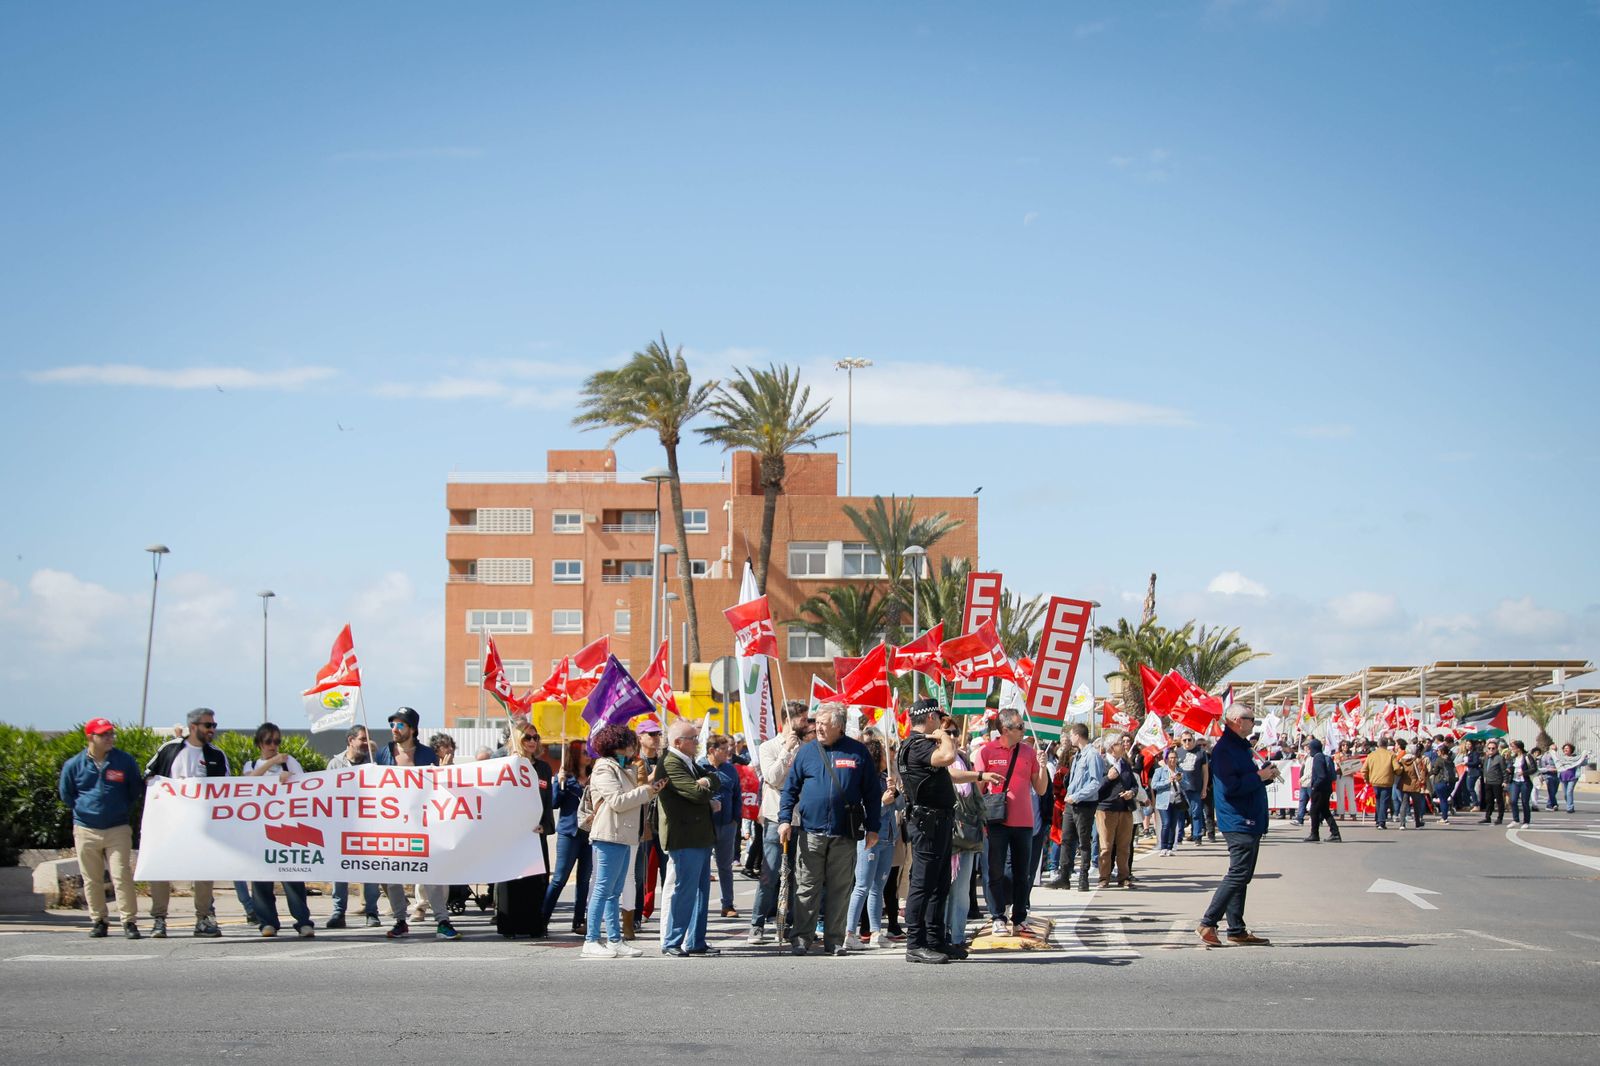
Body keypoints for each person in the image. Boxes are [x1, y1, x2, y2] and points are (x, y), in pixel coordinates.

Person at [778, 703, 881, 957]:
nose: (819, 727)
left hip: (844, 834)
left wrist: (873, 828)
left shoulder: (857, 752)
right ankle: (802, 937)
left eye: (825, 723)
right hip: (810, 831)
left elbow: (871, 793)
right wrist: (784, 820)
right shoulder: (807, 752)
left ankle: (834, 940)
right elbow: (790, 789)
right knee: (807, 887)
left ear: (840, 726)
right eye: (817, 722)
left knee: (840, 888)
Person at [582, 724, 667, 959]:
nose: (633, 748)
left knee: (614, 890)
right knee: (603, 888)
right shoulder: (603, 769)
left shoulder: (622, 768)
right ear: (616, 745)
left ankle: (614, 939)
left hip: (624, 834)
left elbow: (631, 798)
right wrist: (647, 791)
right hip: (608, 834)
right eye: (630, 744)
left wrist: (651, 790)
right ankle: (591, 939)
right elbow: (618, 801)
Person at [374, 708, 459, 940]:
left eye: (400, 725)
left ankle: (442, 921)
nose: (395, 729)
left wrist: (445, 772)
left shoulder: (426, 755)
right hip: (391, 825)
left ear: (412, 729)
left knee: (430, 874)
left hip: (422, 825)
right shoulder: (383, 754)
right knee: (392, 877)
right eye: (393, 724)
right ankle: (400, 921)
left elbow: (437, 785)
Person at [144, 707, 229, 938]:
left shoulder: (217, 756)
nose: (212, 730)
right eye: (208, 725)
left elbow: (229, 789)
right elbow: (149, 776)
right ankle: (159, 919)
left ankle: (203, 918)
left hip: (203, 827)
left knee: (203, 872)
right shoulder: (170, 750)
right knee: (161, 870)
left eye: (214, 725)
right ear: (193, 727)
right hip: (169, 825)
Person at [1197, 705, 1277, 947]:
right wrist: (1259, 777)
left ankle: (1236, 928)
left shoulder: (1241, 747)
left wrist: (1263, 776)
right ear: (1235, 720)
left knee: (1242, 875)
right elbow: (1231, 787)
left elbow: (1245, 781)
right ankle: (1208, 922)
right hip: (1238, 818)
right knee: (1238, 873)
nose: (1253, 723)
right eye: (1249, 719)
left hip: (1248, 817)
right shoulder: (1225, 750)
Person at [58, 717, 143, 939]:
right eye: (103, 734)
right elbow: (67, 794)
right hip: (86, 828)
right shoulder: (74, 764)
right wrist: (83, 810)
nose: (109, 738)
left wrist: (120, 807)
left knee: (121, 874)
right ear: (90, 737)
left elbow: (134, 789)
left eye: (111, 734)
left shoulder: (124, 761)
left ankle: (129, 921)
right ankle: (98, 920)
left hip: (117, 827)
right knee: (91, 877)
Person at [977, 709, 1049, 934]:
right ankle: (998, 915)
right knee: (995, 870)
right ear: (1005, 729)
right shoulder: (986, 751)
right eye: (1020, 727)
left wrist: (1043, 766)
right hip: (996, 820)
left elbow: (1041, 788)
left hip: (1024, 821)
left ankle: (1019, 916)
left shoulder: (1028, 752)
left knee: (1022, 872)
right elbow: (978, 790)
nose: (1024, 730)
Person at [241, 723, 314, 938]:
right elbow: (248, 783)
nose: (273, 746)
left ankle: (303, 921)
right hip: (260, 828)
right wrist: (273, 767)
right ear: (259, 744)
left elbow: (304, 783)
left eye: (277, 741)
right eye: (268, 741)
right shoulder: (252, 764)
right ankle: (267, 922)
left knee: (292, 877)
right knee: (261, 878)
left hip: (287, 827)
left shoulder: (290, 762)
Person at [748, 701, 810, 945]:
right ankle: (757, 923)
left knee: (797, 874)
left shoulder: (807, 747)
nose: (807, 724)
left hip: (801, 817)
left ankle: (790, 923)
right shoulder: (769, 747)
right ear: (790, 720)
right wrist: (786, 752)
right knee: (770, 872)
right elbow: (772, 777)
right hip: (776, 817)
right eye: (803, 719)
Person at [657, 720, 720, 957]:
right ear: (678, 742)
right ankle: (672, 941)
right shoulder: (671, 763)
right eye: (693, 739)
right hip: (685, 837)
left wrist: (705, 782)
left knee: (701, 891)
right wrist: (704, 786)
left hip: (700, 835)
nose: (697, 742)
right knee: (684, 890)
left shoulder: (688, 761)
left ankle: (695, 940)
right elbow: (695, 792)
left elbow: (714, 778)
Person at [494, 716, 551, 939]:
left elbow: (547, 802)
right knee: (511, 881)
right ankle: (509, 925)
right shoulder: (505, 765)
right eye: (527, 737)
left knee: (536, 879)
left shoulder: (544, 768)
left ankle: (534, 925)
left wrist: (545, 826)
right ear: (517, 738)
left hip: (535, 834)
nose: (532, 741)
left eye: (536, 737)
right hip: (511, 834)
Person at [844, 736, 903, 951]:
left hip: (888, 838)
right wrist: (882, 802)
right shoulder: (863, 780)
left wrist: (894, 791)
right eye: (887, 753)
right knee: (862, 886)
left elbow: (901, 805)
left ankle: (877, 931)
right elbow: (865, 811)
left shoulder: (886, 778)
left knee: (879, 886)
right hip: (870, 838)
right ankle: (850, 932)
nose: (892, 756)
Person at [324, 724, 381, 928]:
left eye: (368, 739)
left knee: (370, 870)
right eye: (362, 739)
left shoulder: (373, 764)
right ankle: (339, 912)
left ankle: (372, 912)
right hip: (342, 826)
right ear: (350, 741)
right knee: (339, 871)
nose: (366, 743)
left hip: (368, 826)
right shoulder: (334, 764)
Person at [543, 745, 593, 935]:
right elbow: (554, 803)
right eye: (584, 753)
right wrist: (558, 783)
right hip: (569, 832)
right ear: (574, 755)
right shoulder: (566, 777)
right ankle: (543, 919)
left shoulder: (593, 776)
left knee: (584, 880)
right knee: (559, 879)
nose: (588, 756)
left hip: (588, 832)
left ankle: (579, 921)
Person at [1056, 723, 1105, 891]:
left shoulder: (1092, 755)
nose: (1070, 738)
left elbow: (1096, 782)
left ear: (1077, 735)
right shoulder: (1078, 755)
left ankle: (1083, 877)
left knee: (1083, 841)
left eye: (1071, 735)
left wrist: (1077, 796)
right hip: (1071, 803)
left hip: (1084, 804)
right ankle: (1064, 876)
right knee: (1066, 839)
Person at [701, 733, 743, 919]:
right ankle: (700, 905)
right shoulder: (699, 767)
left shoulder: (730, 770)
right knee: (702, 867)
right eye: (724, 749)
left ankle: (728, 904)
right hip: (704, 825)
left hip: (727, 825)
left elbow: (737, 795)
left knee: (725, 867)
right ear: (712, 750)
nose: (729, 752)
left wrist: (736, 819)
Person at [1094, 733, 1138, 889]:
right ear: (1112, 748)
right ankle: (1103, 877)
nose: (1124, 745)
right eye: (1120, 743)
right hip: (1106, 810)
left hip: (1125, 809)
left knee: (1124, 846)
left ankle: (1124, 877)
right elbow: (1095, 789)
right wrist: (1108, 779)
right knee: (1105, 846)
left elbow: (1134, 784)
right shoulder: (1101, 763)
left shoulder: (1125, 764)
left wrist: (1131, 793)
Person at [1302, 739, 1342, 843]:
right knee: (1325, 811)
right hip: (1326, 788)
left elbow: (1321, 776)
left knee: (1314, 811)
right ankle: (1335, 833)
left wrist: (1314, 787)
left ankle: (1314, 834)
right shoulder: (1322, 756)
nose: (1309, 750)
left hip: (1320, 789)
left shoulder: (1317, 757)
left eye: (1310, 748)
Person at [1177, 732, 1210, 844]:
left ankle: (1197, 836)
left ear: (1193, 740)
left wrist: (1204, 788)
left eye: (1189, 740)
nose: (1187, 742)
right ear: (1181, 741)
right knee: (1180, 813)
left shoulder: (1200, 752)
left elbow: (1205, 772)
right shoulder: (1177, 752)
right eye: (1184, 740)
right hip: (1180, 788)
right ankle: (1179, 836)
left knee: (1196, 812)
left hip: (1195, 787)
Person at [1362, 739, 1400, 830]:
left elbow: (1364, 770)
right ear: (1386, 745)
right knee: (1383, 802)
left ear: (1378, 745)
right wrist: (1398, 773)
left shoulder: (1371, 755)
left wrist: (1366, 780)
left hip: (1374, 781)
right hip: (1386, 782)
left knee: (1378, 801)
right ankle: (1381, 822)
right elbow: (1397, 768)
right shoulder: (1391, 755)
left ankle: (1378, 820)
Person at [1151, 747, 1182, 855]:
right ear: (1166, 759)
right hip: (1164, 801)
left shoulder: (1180, 771)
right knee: (1166, 823)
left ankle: (1170, 847)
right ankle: (1163, 846)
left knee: (1173, 824)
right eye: (1170, 758)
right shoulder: (1160, 771)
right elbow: (1154, 785)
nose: (1172, 760)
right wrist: (1167, 781)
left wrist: (1181, 780)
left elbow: (1186, 785)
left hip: (1176, 801)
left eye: (1174, 758)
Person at [1394, 740, 1427, 830]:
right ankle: (1417, 822)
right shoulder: (1417, 760)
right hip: (1415, 784)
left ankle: (1402, 824)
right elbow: (1422, 772)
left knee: (1404, 803)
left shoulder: (1402, 760)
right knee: (1416, 804)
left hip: (1404, 783)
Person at [1506, 740, 1537, 827]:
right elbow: (1513, 767)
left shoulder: (1527, 756)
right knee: (1513, 800)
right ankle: (1515, 820)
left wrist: (1524, 773)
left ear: (1519, 748)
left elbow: (1534, 768)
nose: (1512, 749)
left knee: (1524, 802)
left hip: (1525, 782)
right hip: (1515, 781)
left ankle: (1526, 821)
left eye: (1513, 747)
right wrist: (1509, 770)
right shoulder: (1514, 758)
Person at [1554, 744, 1591, 813]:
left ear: (1571, 750)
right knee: (1565, 794)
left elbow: (1584, 763)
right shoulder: (1561, 758)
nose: (1566, 749)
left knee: (1569, 791)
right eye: (1564, 748)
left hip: (1572, 777)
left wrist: (1584, 757)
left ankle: (1570, 808)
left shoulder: (1576, 758)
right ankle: (1569, 804)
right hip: (1563, 777)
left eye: (1567, 748)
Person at [1479, 739, 1508, 824]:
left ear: (1496, 749)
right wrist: (1485, 776)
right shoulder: (1487, 758)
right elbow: (1485, 768)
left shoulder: (1499, 758)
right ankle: (1488, 817)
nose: (1491, 750)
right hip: (1488, 781)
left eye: (1493, 748)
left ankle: (1500, 817)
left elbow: (1504, 770)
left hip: (1497, 782)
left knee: (1499, 800)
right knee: (1488, 800)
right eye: (1489, 748)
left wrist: (1505, 781)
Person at [1428, 742, 1457, 823]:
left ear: (1441, 752)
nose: (1437, 752)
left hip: (1441, 781)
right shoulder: (1450, 760)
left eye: (1438, 751)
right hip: (1451, 782)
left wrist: (1429, 772)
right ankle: (1445, 816)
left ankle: (1444, 818)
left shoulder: (1439, 760)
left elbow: (1435, 771)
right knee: (1445, 799)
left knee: (1443, 800)